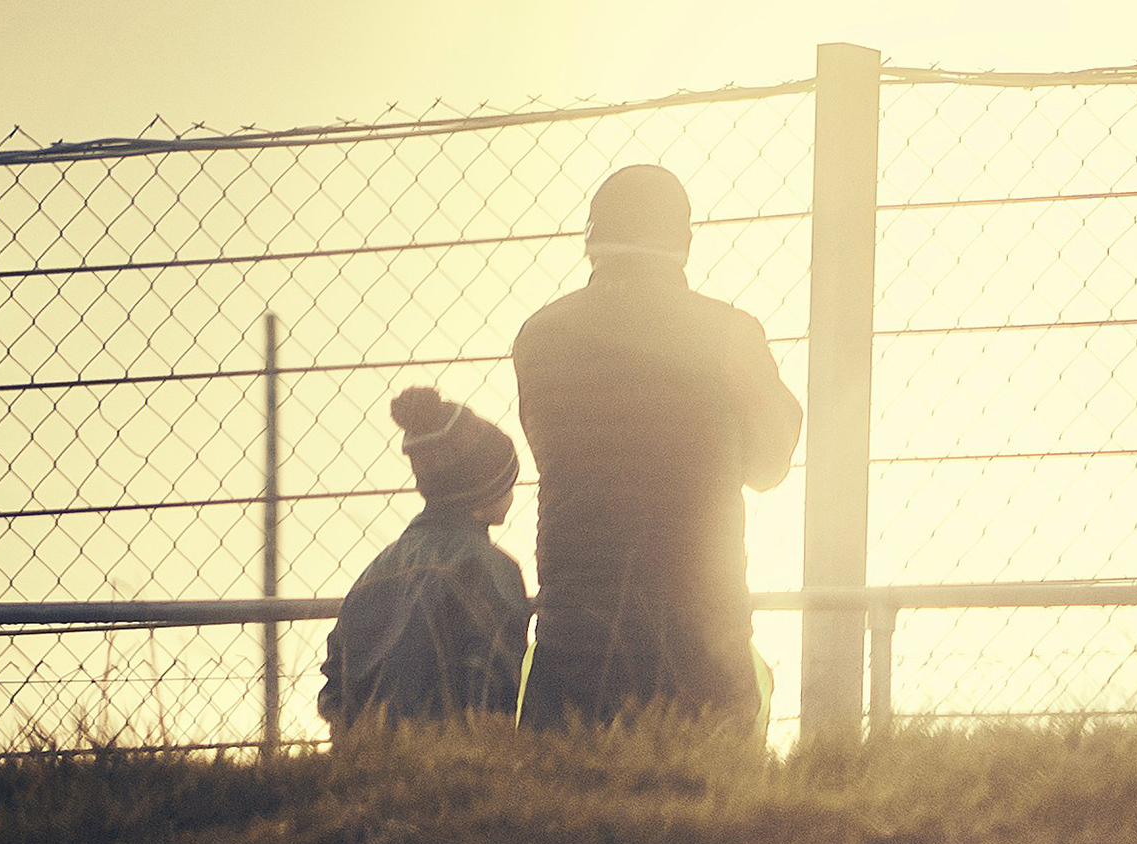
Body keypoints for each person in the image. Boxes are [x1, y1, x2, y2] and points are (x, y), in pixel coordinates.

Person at [512, 164, 802, 731]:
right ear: (685, 243)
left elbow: (557, 452)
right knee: (708, 805)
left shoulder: (540, 336)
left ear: (590, 240)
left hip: (575, 632)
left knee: (568, 806)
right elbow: (769, 464)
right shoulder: (727, 332)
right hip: (701, 629)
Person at [317, 386, 530, 735]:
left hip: (367, 764)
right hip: (454, 765)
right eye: (508, 479)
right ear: (484, 485)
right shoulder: (490, 568)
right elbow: (493, 686)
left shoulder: (374, 571)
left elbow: (336, 683)